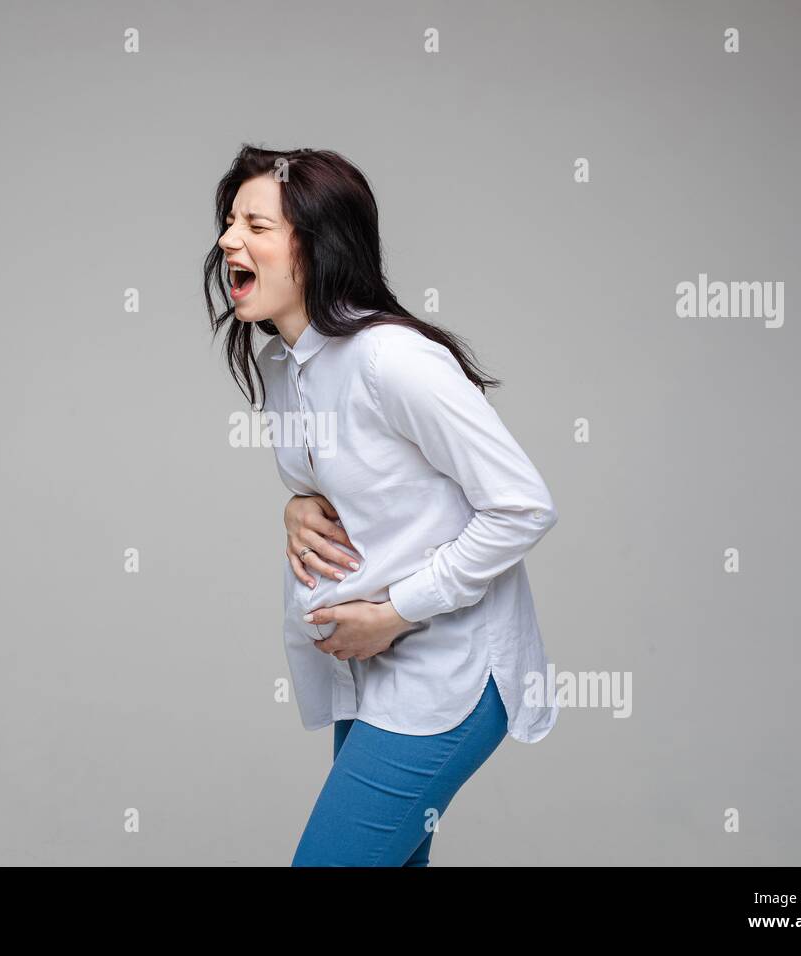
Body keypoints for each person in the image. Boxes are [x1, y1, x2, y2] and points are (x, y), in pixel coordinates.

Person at [204, 145, 560, 866]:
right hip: (368, 673)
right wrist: (297, 506)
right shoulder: (286, 363)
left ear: (319, 245)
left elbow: (521, 506)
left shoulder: (390, 360)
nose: (227, 242)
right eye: (228, 222)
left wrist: (393, 612)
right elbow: (354, 476)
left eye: (256, 226)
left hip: (445, 673)